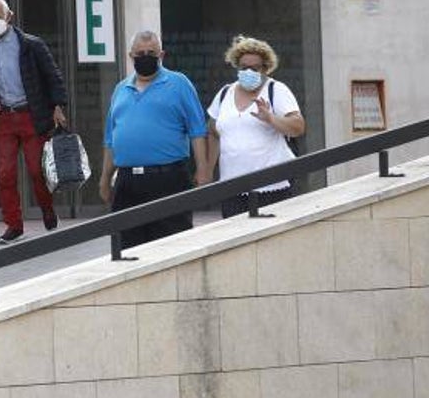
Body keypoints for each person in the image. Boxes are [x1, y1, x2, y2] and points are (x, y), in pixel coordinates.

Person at [99, 30, 210, 249]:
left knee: (171, 246)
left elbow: (197, 130)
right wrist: (105, 179)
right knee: (126, 248)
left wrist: (203, 169)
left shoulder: (179, 83)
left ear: (162, 55)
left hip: (168, 178)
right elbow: (111, 139)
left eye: (151, 52)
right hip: (127, 182)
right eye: (140, 53)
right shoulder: (121, 89)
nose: (145, 57)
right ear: (131, 56)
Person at [0, 0, 68, 244]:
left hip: (31, 114)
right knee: (5, 174)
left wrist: (58, 106)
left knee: (37, 170)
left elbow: (52, 75)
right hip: (3, 117)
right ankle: (14, 225)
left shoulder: (31, 45)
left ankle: (47, 208)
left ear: (9, 16)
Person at [207, 35, 305, 218]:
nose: (249, 72)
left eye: (255, 68)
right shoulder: (225, 93)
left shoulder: (276, 90)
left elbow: (298, 127)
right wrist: (207, 170)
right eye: (244, 67)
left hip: (271, 186)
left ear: (266, 68)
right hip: (232, 187)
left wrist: (271, 118)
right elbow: (213, 130)